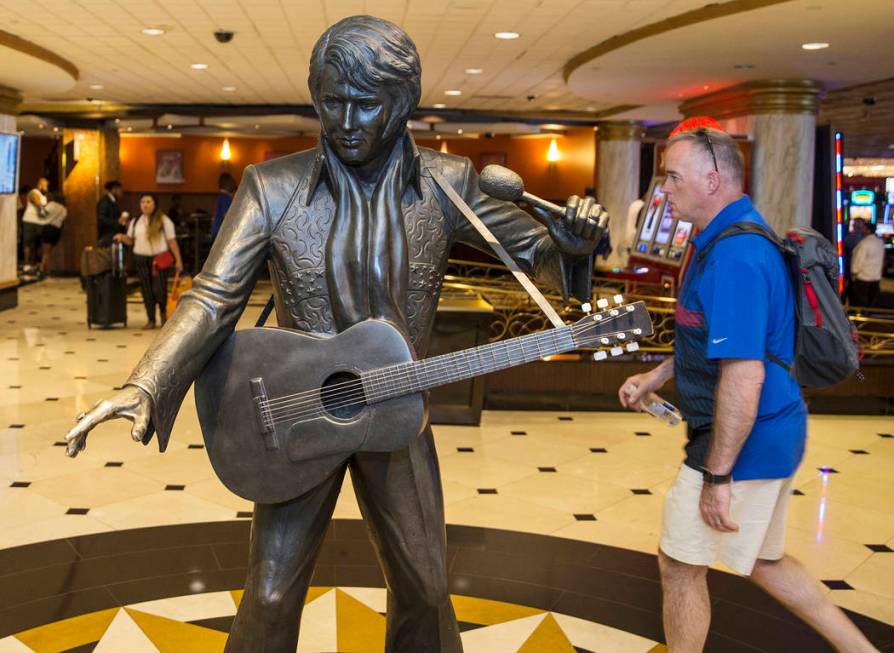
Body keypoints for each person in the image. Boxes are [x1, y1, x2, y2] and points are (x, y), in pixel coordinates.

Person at [64, 16, 607, 653]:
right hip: (298, 410)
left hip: (400, 411)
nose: (345, 121)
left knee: (427, 588)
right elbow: (214, 296)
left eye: (366, 104)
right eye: (330, 102)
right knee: (269, 593)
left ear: (402, 105)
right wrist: (149, 383)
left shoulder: (448, 184)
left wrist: (570, 248)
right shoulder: (273, 188)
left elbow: (537, 256)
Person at [619, 128, 877, 653]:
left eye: (672, 176)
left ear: (711, 181)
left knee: (680, 564)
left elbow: (744, 373)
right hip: (771, 429)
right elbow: (718, 337)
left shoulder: (736, 256)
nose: (663, 189)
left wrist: (718, 475)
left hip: (745, 438)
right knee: (765, 560)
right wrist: (657, 376)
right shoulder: (723, 236)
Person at [113, 193, 183, 329]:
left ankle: (163, 315)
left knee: (160, 289)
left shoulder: (164, 220)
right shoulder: (136, 221)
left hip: (160, 259)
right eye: (142, 202)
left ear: (155, 203)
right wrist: (122, 237)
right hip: (141, 258)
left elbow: (172, 242)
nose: (145, 204)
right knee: (146, 290)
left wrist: (178, 261)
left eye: (148, 201)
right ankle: (150, 319)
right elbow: (130, 240)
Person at [851, 220, 885, 308]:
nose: (862, 230)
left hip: (863, 278)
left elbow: (858, 262)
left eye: (864, 229)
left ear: (868, 230)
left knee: (860, 304)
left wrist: (854, 275)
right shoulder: (880, 242)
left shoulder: (864, 243)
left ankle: (860, 320)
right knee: (871, 304)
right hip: (876, 278)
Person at [21, 177, 50, 277]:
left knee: (38, 244)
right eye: (45, 185)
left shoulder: (45, 197)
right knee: (28, 242)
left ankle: (36, 264)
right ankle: (26, 264)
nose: (46, 187)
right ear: (40, 184)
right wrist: (42, 209)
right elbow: (36, 201)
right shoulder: (34, 192)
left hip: (40, 223)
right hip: (29, 220)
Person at [38, 191, 68, 277]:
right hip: (56, 230)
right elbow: (63, 219)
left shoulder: (51, 204)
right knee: (49, 252)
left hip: (48, 228)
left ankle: (43, 268)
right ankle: (47, 270)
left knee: (45, 252)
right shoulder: (64, 208)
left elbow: (42, 213)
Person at [96, 180, 129, 247]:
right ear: (114, 189)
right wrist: (117, 221)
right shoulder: (105, 202)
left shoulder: (113, 202)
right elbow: (101, 220)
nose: (121, 193)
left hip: (113, 237)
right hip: (107, 239)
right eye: (120, 190)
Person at [843, 217, 865, 302]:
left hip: (850, 265)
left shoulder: (849, 238)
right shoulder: (864, 239)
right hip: (862, 267)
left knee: (850, 286)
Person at [210, 172, 237, 239]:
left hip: (216, 230)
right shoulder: (226, 198)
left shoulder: (221, 197)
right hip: (221, 232)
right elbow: (227, 217)